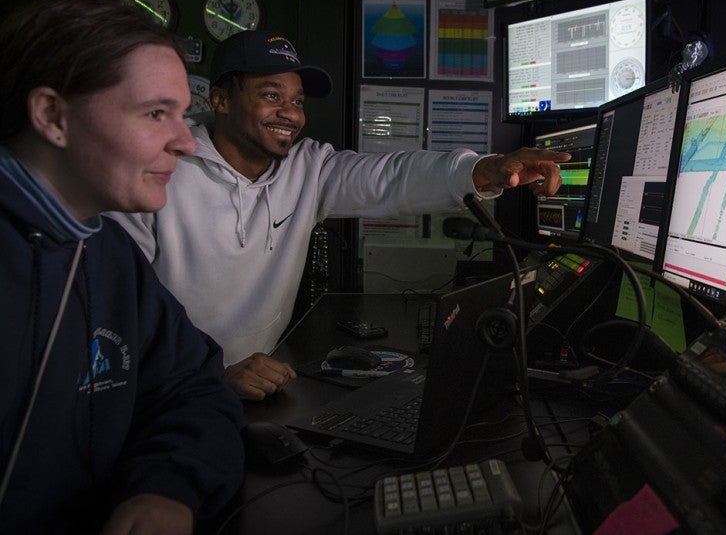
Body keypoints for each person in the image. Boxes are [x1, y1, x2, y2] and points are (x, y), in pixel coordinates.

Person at [108, 30, 570, 402]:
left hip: (261, 383)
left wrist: (484, 169)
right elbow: (119, 314)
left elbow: (393, 177)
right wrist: (210, 373)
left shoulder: (309, 168)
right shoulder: (161, 170)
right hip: (163, 394)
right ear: (222, 99)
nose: (289, 114)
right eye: (272, 95)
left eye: (297, 101)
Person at [0, 0, 244, 534]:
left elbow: (193, 390)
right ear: (52, 116)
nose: (185, 142)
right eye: (156, 113)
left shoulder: (109, 256)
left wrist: (168, 488)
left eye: (183, 115)